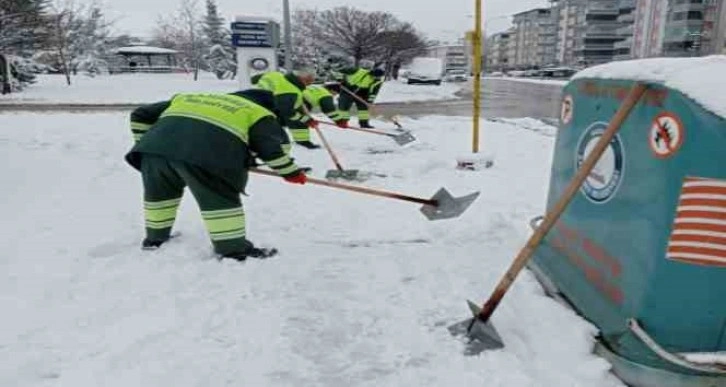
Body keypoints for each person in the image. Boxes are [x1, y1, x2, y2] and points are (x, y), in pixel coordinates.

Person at [124, 89, 307, 261]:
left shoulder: (189, 98)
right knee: (219, 199)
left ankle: (155, 239)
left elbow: (140, 114)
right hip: (207, 156)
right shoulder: (258, 112)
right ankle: (233, 249)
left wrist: (146, 142)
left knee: (160, 197)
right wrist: (291, 173)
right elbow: (270, 151)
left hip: (153, 152)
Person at [251, 69, 320, 149]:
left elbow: (257, 77)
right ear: (302, 79)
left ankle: (302, 140)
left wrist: (306, 118)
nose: (309, 84)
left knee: (297, 118)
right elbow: (288, 112)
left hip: (271, 99)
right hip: (265, 103)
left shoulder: (280, 77)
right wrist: (306, 120)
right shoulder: (288, 91)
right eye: (309, 81)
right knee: (280, 122)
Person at [334, 60, 385, 128]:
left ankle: (364, 123)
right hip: (348, 89)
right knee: (344, 106)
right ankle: (343, 121)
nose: (376, 78)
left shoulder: (378, 81)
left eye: (378, 77)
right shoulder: (358, 71)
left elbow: (374, 92)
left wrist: (369, 101)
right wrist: (340, 80)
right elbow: (339, 71)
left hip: (363, 92)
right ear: (372, 73)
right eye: (375, 76)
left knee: (364, 109)